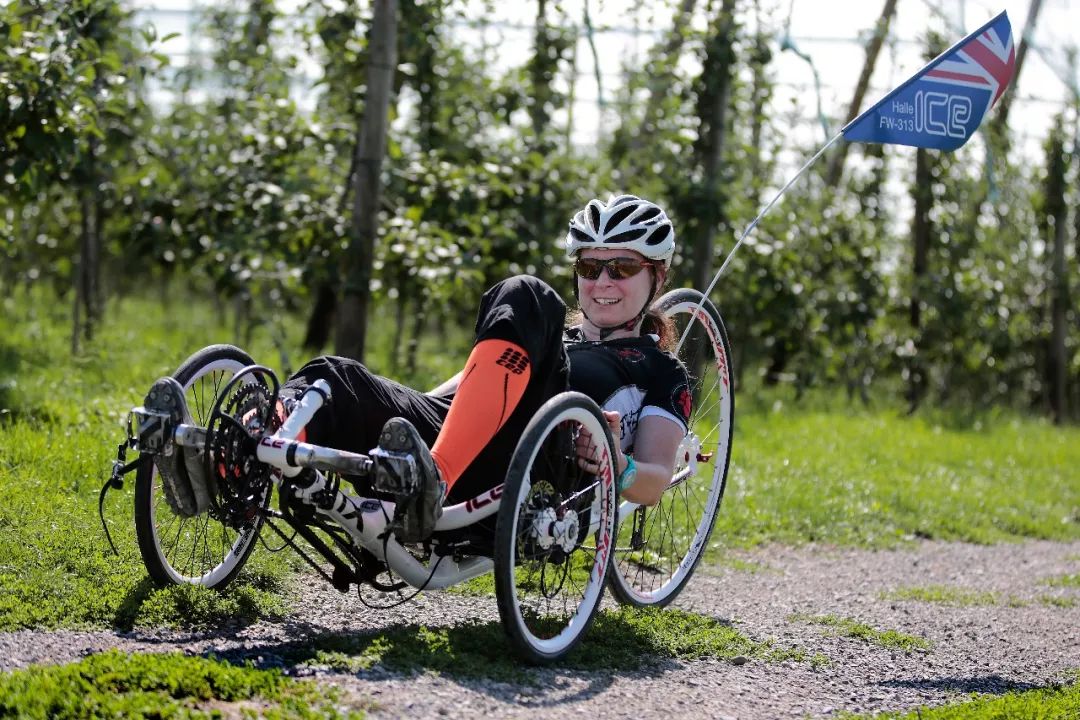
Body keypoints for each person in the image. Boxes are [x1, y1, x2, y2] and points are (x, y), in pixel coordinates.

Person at [148, 194, 692, 541]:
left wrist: (611, 464)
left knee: (526, 292)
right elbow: (462, 391)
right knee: (337, 378)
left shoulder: (657, 370)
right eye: (591, 266)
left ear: (657, 278)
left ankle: (433, 478)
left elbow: (653, 481)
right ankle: (224, 466)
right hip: (454, 440)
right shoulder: (552, 336)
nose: (602, 283)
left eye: (622, 267)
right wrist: (394, 409)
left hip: (531, 465)